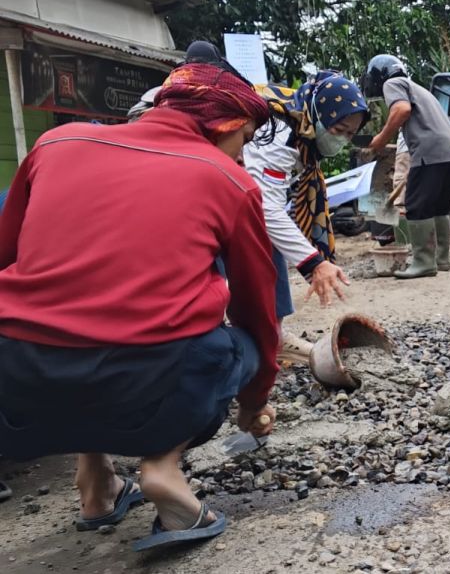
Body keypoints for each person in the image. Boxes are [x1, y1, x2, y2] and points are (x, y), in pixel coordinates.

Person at [0, 62, 279, 550]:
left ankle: (97, 484)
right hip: (148, 391)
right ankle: (163, 472)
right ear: (231, 126)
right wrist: (254, 402)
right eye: (247, 140)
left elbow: (5, 255)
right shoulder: (228, 180)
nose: (243, 154)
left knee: (83, 312)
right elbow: (259, 310)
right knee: (242, 341)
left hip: (16, 394)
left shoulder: (55, 144)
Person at [243, 71, 369, 357]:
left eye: (350, 134)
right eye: (338, 130)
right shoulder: (278, 132)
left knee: (271, 242)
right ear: (319, 111)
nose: (342, 140)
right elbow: (263, 205)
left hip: (240, 194)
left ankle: (273, 333)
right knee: (253, 244)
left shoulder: (303, 137)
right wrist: (314, 264)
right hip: (204, 197)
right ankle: (256, 341)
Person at [361, 54, 450, 277]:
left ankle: (423, 263)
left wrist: (380, 139)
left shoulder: (393, 83)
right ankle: (440, 260)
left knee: (416, 205)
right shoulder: (420, 88)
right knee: (439, 207)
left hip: (430, 149)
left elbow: (402, 110)